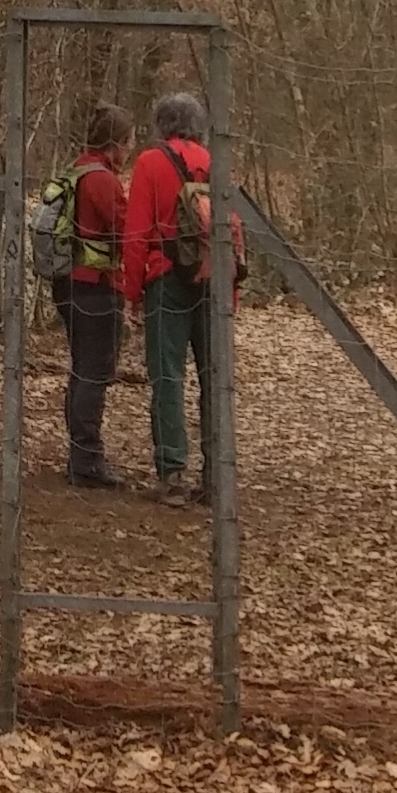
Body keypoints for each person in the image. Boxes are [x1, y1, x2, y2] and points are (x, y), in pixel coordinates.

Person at [122, 85, 226, 500]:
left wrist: (131, 293)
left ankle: (173, 474)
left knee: (167, 376)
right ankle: (217, 474)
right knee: (214, 380)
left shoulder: (149, 162)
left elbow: (135, 234)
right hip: (213, 280)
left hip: (165, 279)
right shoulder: (215, 163)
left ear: (160, 123)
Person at [56, 102, 132, 488]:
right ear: (116, 144)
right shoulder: (102, 180)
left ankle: (80, 452)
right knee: (94, 371)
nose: (129, 151)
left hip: (70, 282)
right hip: (96, 285)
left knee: (82, 367)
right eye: (128, 143)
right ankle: (86, 459)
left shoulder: (76, 168)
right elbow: (127, 229)